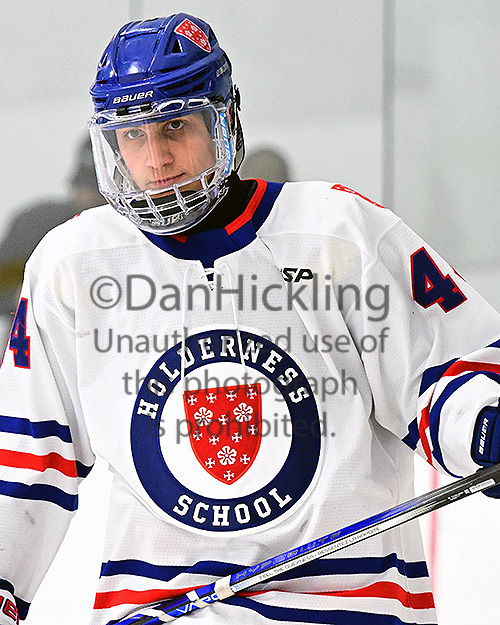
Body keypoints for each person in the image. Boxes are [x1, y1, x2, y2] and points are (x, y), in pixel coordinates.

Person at [1, 13, 500, 625]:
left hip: (345, 610)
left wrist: (485, 421)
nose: (156, 157)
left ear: (225, 119)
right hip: (163, 613)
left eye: (175, 126)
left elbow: (452, 369)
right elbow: (24, 457)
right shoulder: (72, 265)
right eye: (132, 135)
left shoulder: (339, 233)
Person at [0, 137, 103, 345]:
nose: (87, 198)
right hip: (31, 353)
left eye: (97, 193)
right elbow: (4, 288)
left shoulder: (136, 235)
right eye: (83, 187)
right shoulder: (36, 225)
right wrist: (33, 297)